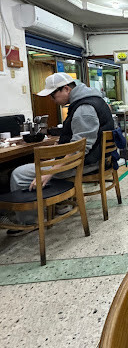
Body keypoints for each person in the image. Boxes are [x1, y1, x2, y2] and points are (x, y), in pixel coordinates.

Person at [5, 73, 114, 235]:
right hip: (95, 159)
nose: (52, 100)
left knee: (19, 174)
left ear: (66, 89)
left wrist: (50, 172)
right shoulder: (92, 99)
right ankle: (61, 204)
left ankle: (29, 221)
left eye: (53, 95)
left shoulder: (84, 108)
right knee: (43, 163)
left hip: (86, 163)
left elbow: (79, 148)